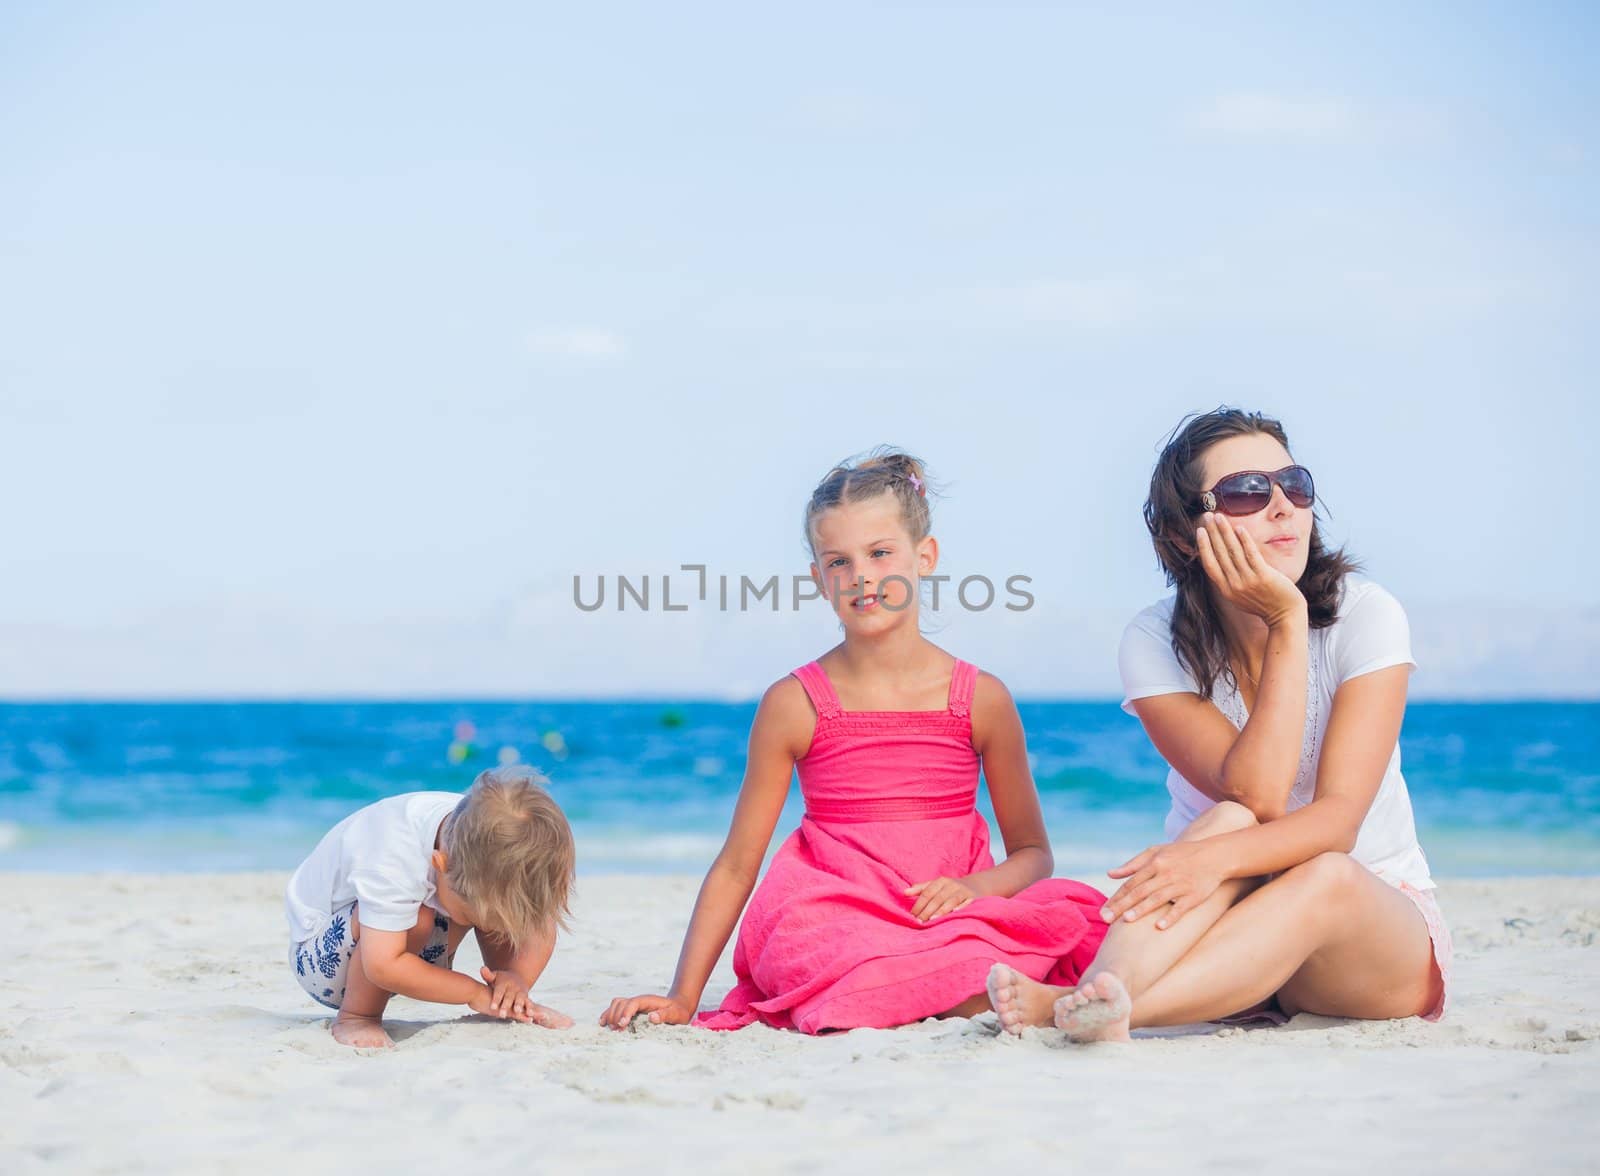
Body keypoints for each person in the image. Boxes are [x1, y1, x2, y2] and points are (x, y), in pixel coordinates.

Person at [599, 449, 1108, 1035]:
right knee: (838, 951)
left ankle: (964, 989)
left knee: (1073, 928)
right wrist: (683, 997)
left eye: (880, 553)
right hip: (839, 913)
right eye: (838, 561)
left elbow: (1033, 853)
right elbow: (739, 865)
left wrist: (973, 888)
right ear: (819, 579)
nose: (861, 576)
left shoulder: (982, 698)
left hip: (951, 914)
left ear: (925, 557)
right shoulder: (793, 703)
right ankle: (951, 992)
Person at [988, 408, 1451, 1041]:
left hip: (1368, 939)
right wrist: (1217, 860)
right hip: (1231, 933)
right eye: (1246, 493)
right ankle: (1109, 989)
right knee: (1230, 816)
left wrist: (1288, 621)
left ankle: (1092, 1006)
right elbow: (1252, 796)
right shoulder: (1154, 639)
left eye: (1294, 485)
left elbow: (1338, 823)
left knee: (1325, 873)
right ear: (1186, 535)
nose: (1282, 507)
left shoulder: (1365, 615)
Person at [286, 765, 577, 1048]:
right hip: (327, 962)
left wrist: (515, 979)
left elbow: (532, 918)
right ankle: (358, 1015)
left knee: (512, 904)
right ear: (440, 863)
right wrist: (472, 991)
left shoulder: (477, 836)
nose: (497, 931)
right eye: (480, 920)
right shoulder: (392, 857)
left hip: (406, 948)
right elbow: (381, 964)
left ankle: (507, 999)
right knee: (419, 918)